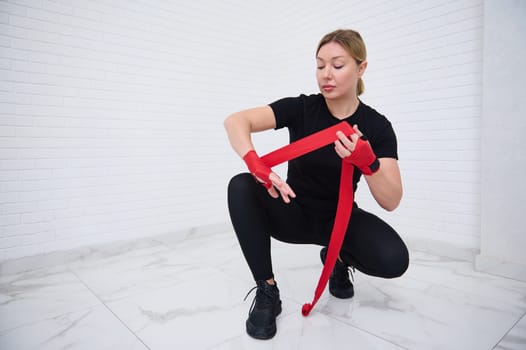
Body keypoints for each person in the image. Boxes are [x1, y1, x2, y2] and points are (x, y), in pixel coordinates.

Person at [224, 29, 409, 340]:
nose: (326, 74)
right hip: (293, 212)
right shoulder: (302, 108)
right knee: (240, 186)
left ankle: (337, 259)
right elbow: (236, 121)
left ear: (361, 68)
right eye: (320, 65)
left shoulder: (377, 126)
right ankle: (267, 292)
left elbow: (391, 199)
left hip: (341, 221)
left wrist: (370, 163)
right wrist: (256, 164)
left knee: (394, 259)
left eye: (337, 65)